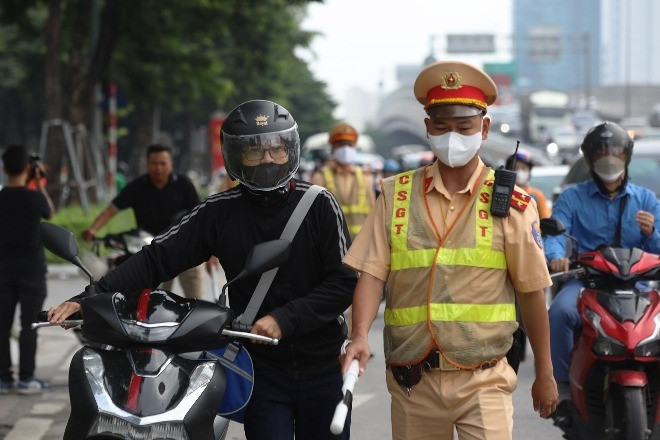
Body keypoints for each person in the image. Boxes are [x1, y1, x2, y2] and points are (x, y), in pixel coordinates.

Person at [48, 100, 357, 440]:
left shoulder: (319, 204)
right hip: (262, 369)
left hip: (323, 365)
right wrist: (89, 297)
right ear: (236, 157)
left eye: (276, 149)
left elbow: (343, 282)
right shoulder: (218, 212)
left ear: (290, 150)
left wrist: (286, 319)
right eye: (255, 152)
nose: (268, 159)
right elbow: (157, 257)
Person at [339, 60, 558, 440]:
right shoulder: (395, 196)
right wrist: (359, 335)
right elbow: (372, 273)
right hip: (413, 381)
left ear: (484, 128)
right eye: (440, 126)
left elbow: (531, 291)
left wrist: (545, 372)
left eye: (463, 126)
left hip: (485, 379)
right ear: (426, 128)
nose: (451, 136)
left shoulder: (515, 204)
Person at [544, 121, 660, 412]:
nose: (609, 158)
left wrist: (650, 233)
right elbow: (554, 236)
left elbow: (658, 250)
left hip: (636, 285)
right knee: (559, 313)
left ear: (627, 157)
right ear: (589, 157)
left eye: (617, 152)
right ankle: (564, 389)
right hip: (587, 282)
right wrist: (555, 256)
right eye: (601, 152)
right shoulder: (572, 197)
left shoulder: (646, 199)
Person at [81, 144, 207, 299]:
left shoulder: (184, 185)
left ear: (170, 164)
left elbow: (202, 217)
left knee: (196, 298)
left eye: (163, 163)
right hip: (154, 251)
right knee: (156, 300)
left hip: (185, 249)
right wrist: (93, 229)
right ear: (147, 164)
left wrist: (211, 250)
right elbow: (112, 209)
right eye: (154, 163)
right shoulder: (137, 187)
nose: (158, 168)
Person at [0, 144, 55, 394]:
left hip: (3, 271)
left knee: (2, 325)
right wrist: (39, 183)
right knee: (29, 326)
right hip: (32, 271)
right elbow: (50, 212)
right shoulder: (35, 198)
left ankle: (3, 378)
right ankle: (26, 378)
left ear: (3, 168)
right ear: (27, 169)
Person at [312, 122, 376, 241]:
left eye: (349, 145)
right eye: (340, 145)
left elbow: (373, 213)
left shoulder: (366, 177)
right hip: (332, 244)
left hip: (360, 245)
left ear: (355, 148)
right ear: (332, 148)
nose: (345, 149)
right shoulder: (321, 177)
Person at [505, 149, 551, 218]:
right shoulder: (500, 190)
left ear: (529, 173)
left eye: (523, 168)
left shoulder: (536, 195)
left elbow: (546, 219)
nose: (519, 172)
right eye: (515, 168)